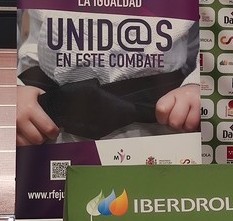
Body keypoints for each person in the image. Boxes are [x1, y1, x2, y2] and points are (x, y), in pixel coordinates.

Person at [15, 9, 200, 145]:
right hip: (46, 123)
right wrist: (14, 88)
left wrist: (200, 83)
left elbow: (215, 22)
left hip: (167, 123)